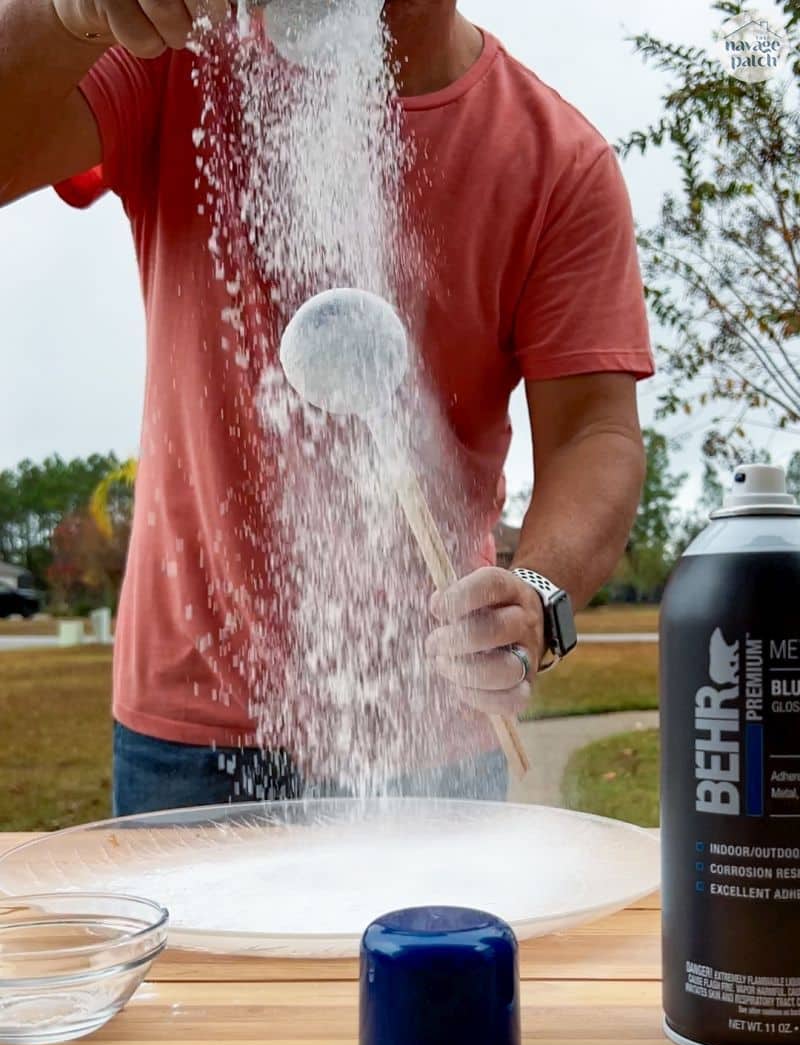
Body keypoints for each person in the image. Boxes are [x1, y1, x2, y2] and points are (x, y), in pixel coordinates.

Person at [0, 0, 653, 814]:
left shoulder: (556, 161)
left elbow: (595, 431)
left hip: (434, 724)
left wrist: (537, 594)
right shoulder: (174, 58)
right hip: (188, 722)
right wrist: (67, 15)